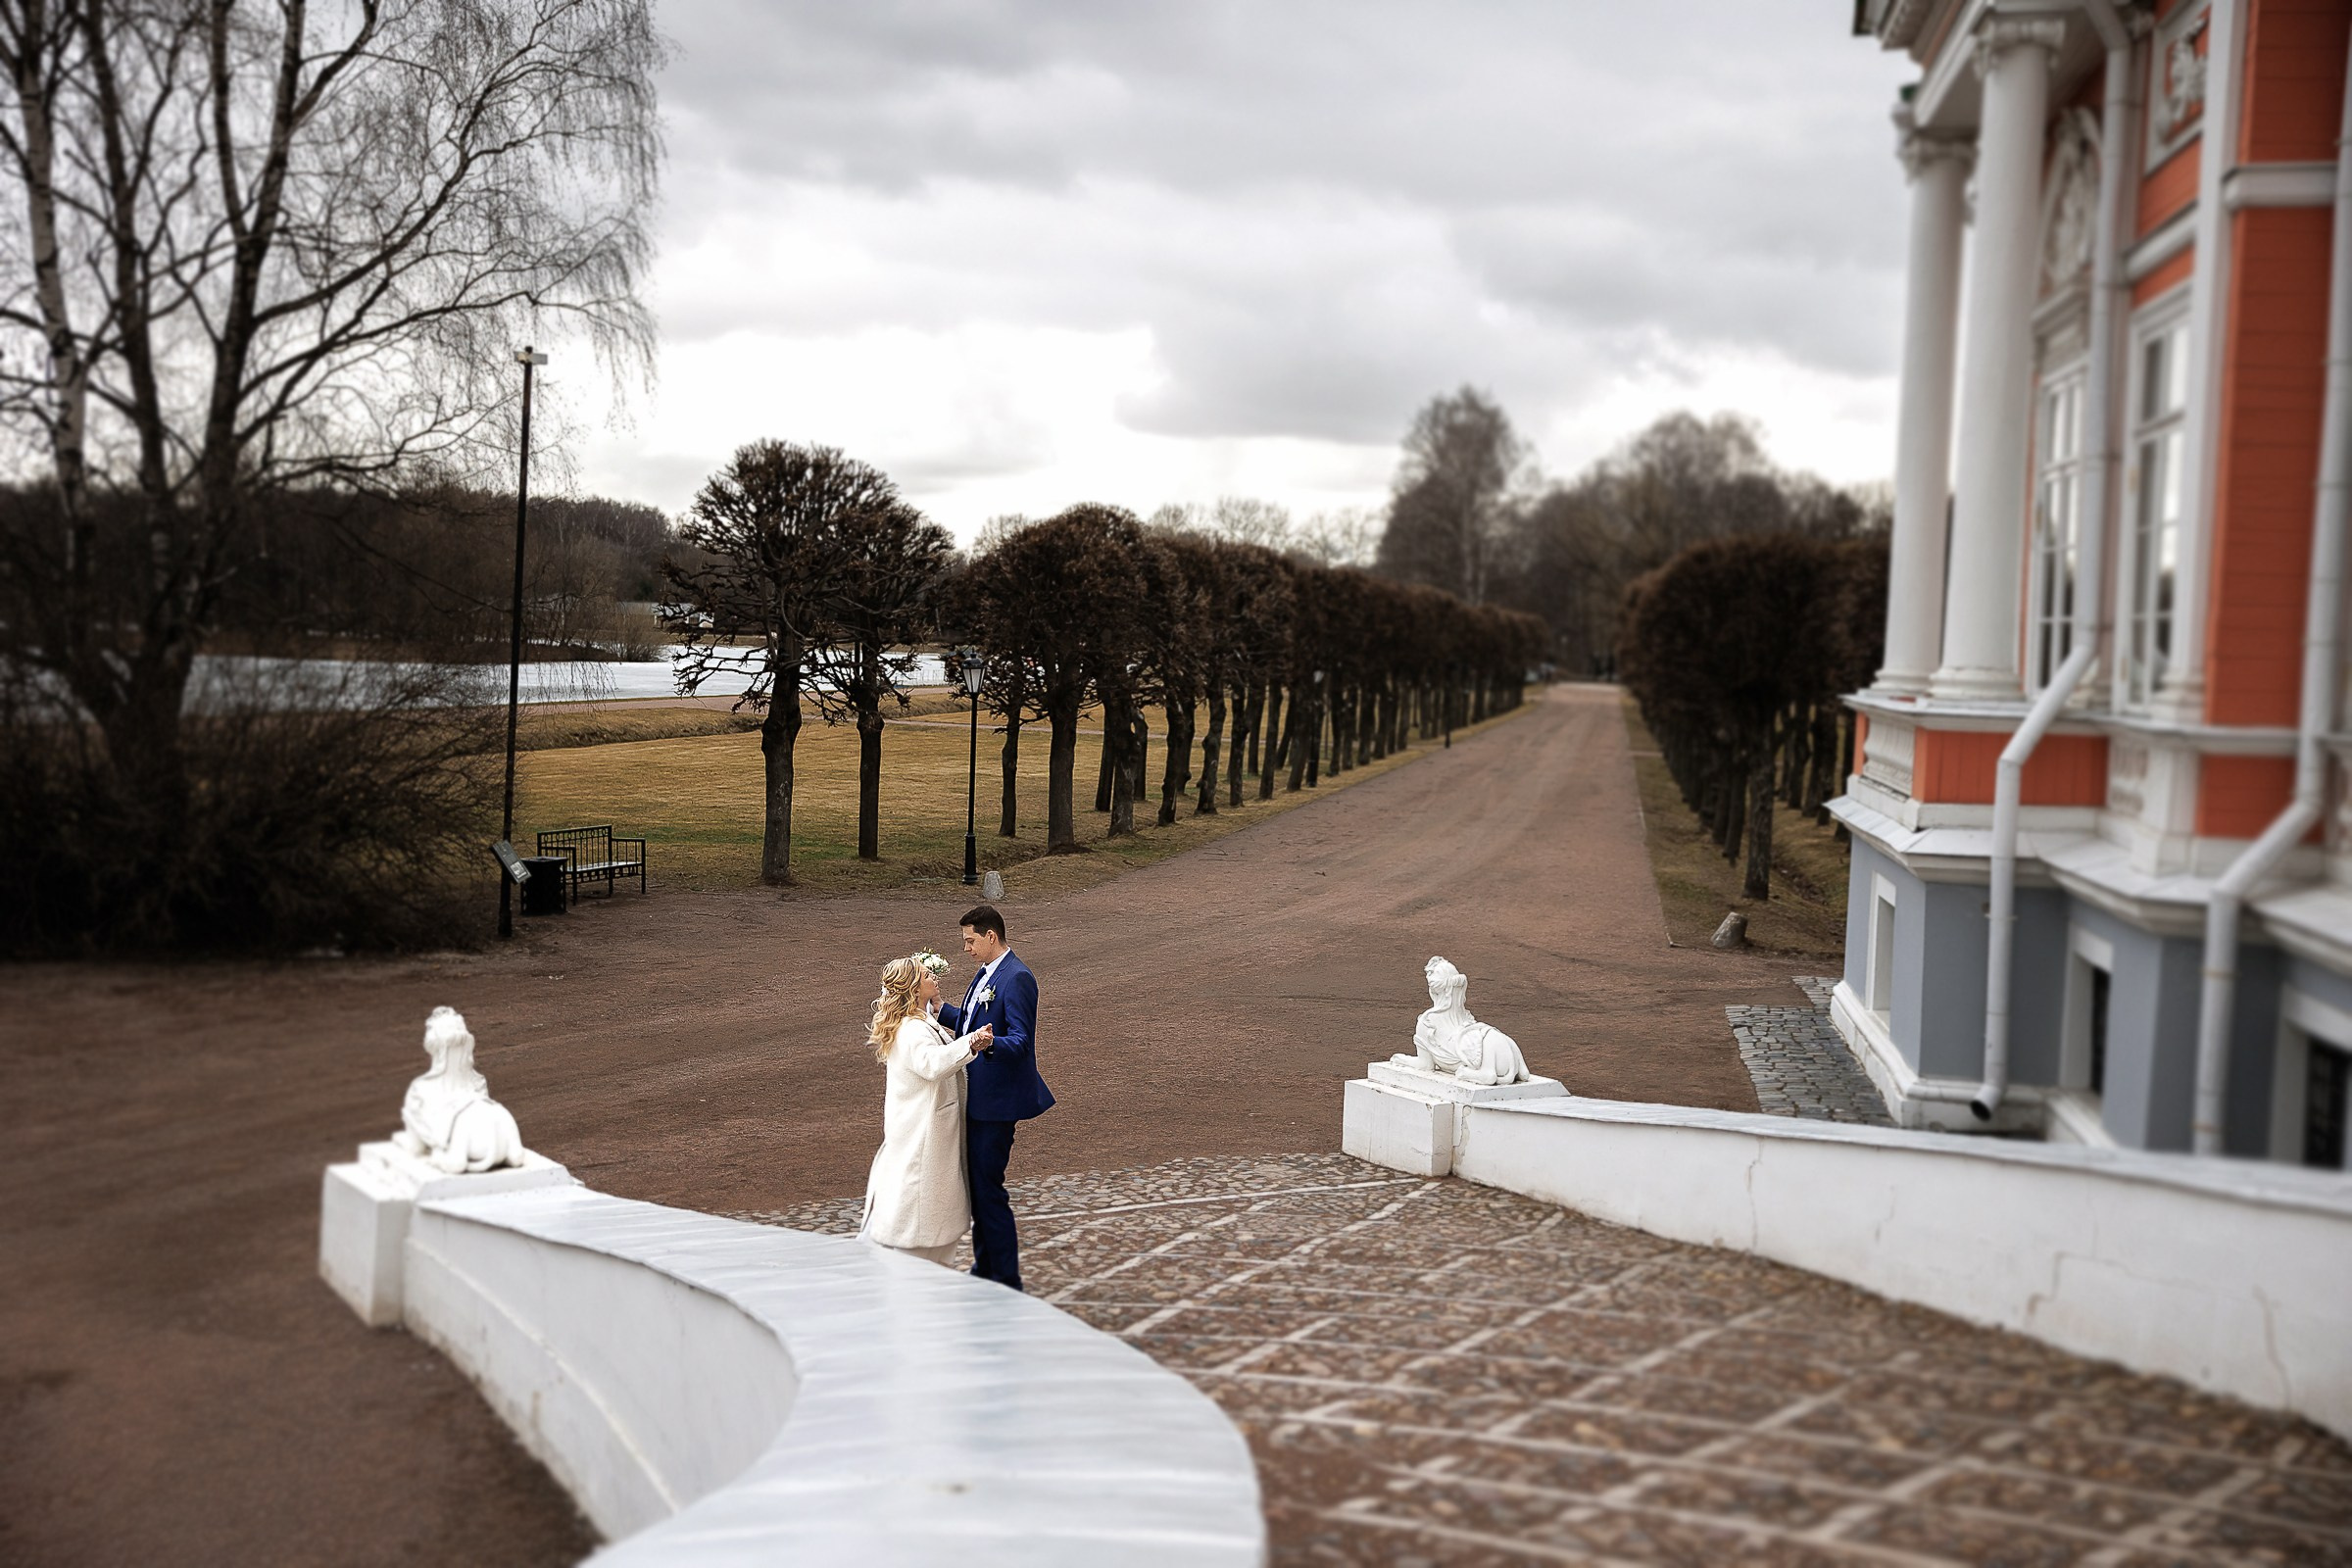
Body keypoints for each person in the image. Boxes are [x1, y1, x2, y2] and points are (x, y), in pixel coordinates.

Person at [935, 904, 1053, 1290]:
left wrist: (990, 1045)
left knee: (989, 1188)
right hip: (978, 1098)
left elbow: (1020, 1041)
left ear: (991, 936)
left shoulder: (1017, 978)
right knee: (980, 1188)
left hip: (996, 1104)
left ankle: (1004, 1278)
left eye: (970, 941)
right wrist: (941, 1010)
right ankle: (985, 1269)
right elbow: (972, 1021)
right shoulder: (987, 973)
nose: (966, 948)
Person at [858, 956, 991, 1265]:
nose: (934, 976)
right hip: (923, 1134)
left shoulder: (917, 1022)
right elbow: (931, 1064)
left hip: (923, 1129)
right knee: (921, 1226)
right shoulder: (913, 1030)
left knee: (931, 1222)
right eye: (927, 974)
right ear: (914, 988)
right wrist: (971, 1042)